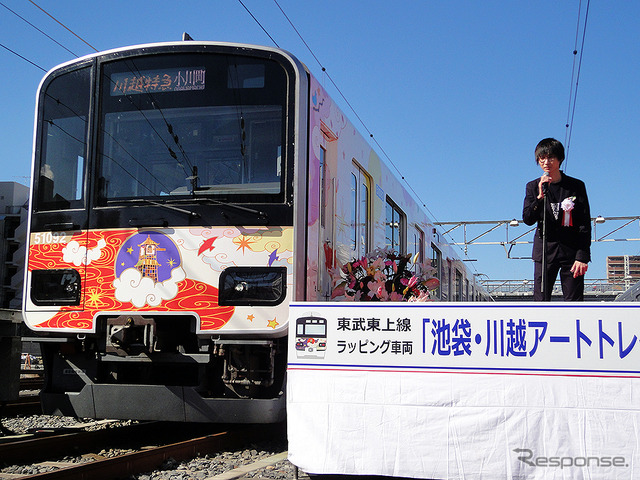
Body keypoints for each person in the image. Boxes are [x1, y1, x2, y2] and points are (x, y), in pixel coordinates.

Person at [522, 138, 591, 301]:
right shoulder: (533, 186)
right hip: (544, 251)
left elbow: (584, 223)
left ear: (560, 159)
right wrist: (539, 197)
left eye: (551, 157)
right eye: (542, 158)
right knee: (541, 300)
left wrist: (582, 256)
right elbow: (527, 219)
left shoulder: (576, 186)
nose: (546, 162)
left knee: (574, 301)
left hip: (571, 252)